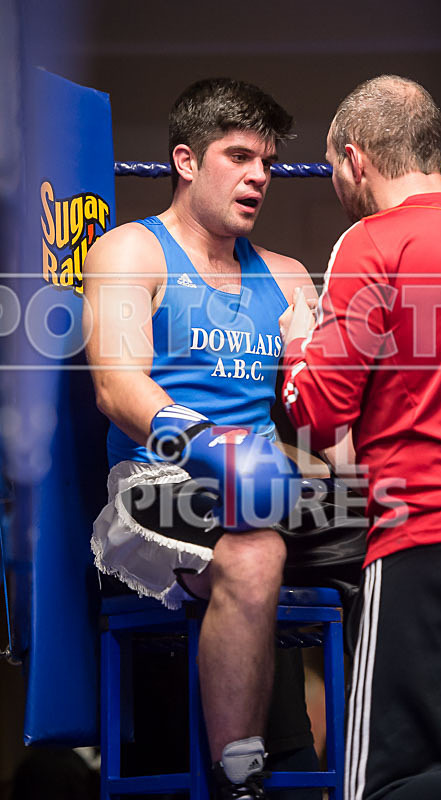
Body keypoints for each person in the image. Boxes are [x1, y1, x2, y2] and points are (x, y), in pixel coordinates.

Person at [280, 75, 441, 800]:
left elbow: (318, 412)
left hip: (429, 550)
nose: (334, 184)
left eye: (331, 166)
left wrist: (298, 343)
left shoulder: (374, 239)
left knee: (383, 790)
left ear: (357, 159)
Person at [83, 78, 323, 800]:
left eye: (269, 162)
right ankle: (238, 779)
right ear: (187, 161)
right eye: (240, 156)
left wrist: (313, 365)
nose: (259, 177)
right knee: (254, 554)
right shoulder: (132, 252)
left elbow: (322, 424)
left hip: (262, 490)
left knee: (411, 529)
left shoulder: (284, 278)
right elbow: (118, 387)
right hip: (153, 490)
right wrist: (213, 447)